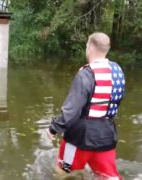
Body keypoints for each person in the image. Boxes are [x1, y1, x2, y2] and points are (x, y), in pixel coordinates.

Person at [46, 32, 125, 179]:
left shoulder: (86, 74)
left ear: (89, 48)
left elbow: (72, 109)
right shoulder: (118, 71)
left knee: (63, 171)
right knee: (109, 177)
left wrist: (53, 128)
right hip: (106, 138)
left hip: (78, 139)